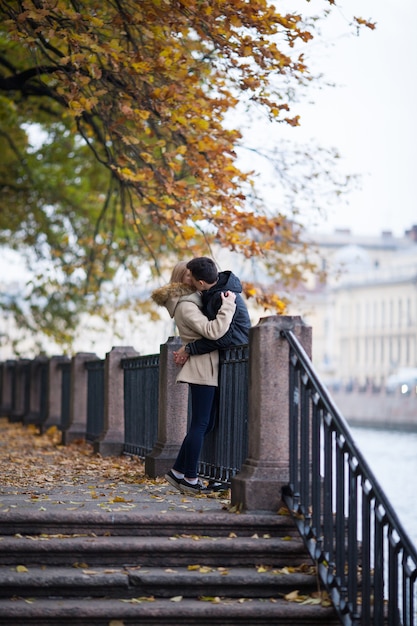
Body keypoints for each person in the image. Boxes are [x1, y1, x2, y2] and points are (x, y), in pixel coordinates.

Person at [151, 261, 237, 495]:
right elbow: (213, 331)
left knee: (204, 423)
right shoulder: (185, 306)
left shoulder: (189, 302)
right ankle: (190, 476)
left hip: (204, 365)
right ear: (185, 279)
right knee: (200, 424)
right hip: (202, 368)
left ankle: (178, 471)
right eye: (190, 275)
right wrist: (228, 306)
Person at [173, 256, 251, 364]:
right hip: (230, 357)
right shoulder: (211, 293)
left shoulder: (224, 297)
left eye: (191, 277)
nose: (190, 280)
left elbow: (223, 338)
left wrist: (189, 349)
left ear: (201, 283)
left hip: (235, 358)